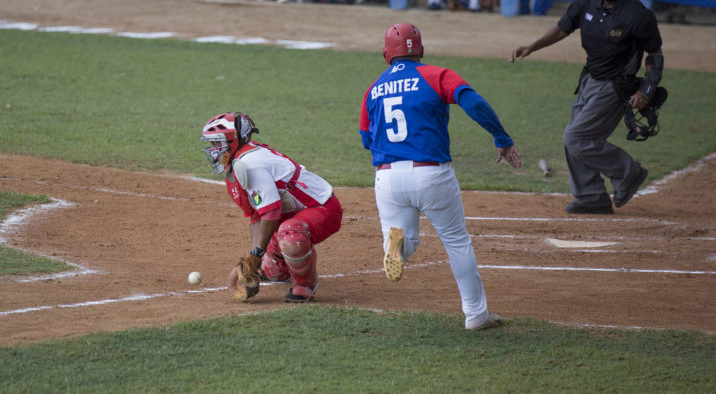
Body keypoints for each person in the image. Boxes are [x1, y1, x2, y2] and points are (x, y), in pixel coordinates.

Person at [359, 22, 522, 330]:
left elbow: (366, 140)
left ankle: (394, 248)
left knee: (407, 243)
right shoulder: (435, 75)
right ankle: (475, 315)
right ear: (420, 50)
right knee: (456, 242)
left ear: (386, 54)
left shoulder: (373, 89)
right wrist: (501, 137)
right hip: (431, 174)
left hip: (388, 178)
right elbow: (472, 101)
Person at [509, 0, 663, 214]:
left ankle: (629, 172)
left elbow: (655, 56)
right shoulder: (586, 2)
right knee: (574, 137)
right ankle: (591, 196)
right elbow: (561, 29)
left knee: (576, 137)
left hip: (617, 85)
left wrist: (645, 91)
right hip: (589, 80)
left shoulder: (638, 15)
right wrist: (531, 47)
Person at [201, 112, 343, 302]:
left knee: (290, 234)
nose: (213, 149)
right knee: (273, 270)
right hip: (296, 213)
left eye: (217, 143)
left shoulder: (250, 163)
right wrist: (252, 258)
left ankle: (305, 284)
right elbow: (257, 216)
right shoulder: (239, 162)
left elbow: (271, 212)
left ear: (234, 140)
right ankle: (281, 268)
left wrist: (258, 254)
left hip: (323, 209)